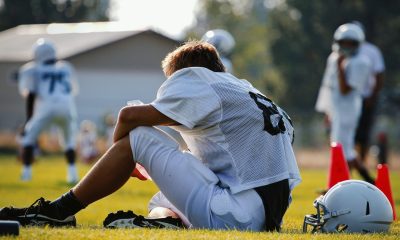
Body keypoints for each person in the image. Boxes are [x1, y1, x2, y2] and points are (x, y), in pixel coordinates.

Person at [0, 40, 301, 232]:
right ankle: (165, 223)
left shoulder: (198, 78)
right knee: (162, 197)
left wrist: (125, 154)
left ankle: (58, 212)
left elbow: (128, 117)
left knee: (139, 135)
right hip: (260, 213)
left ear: (185, 73)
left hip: (237, 214)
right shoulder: (245, 89)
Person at [315, 23, 374, 183]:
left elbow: (345, 90)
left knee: (342, 149)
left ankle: (341, 183)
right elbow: (329, 87)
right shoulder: (334, 57)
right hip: (337, 109)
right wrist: (328, 110)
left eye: (350, 43)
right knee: (342, 148)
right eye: (344, 42)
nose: (346, 46)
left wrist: (341, 68)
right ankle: (368, 181)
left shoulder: (361, 61)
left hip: (349, 109)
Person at [17, 38, 79, 183]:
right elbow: (73, 90)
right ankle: (73, 174)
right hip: (67, 106)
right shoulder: (65, 68)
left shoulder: (32, 69)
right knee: (69, 141)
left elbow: (30, 95)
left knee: (28, 138)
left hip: (46, 107)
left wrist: (28, 120)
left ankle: (26, 174)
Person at [352, 21, 386, 164]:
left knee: (363, 135)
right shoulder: (344, 50)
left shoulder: (372, 51)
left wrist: (372, 97)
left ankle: (362, 162)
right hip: (348, 100)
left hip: (366, 98)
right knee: (348, 135)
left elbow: (379, 75)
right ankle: (351, 164)